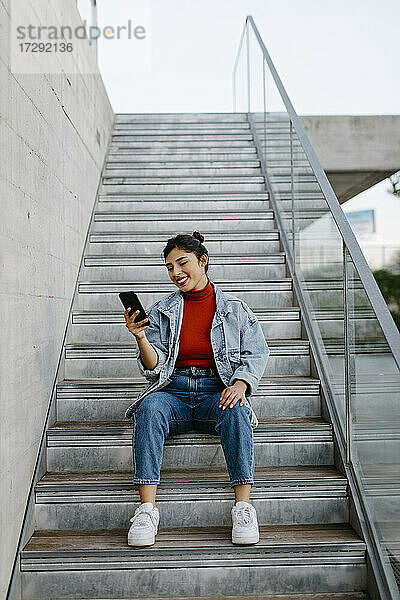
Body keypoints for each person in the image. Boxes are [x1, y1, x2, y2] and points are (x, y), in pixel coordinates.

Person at [123, 231, 269, 547]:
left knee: (237, 409)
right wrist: (140, 337)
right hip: (172, 392)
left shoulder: (235, 309)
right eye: (169, 267)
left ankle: (243, 507)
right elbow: (154, 367)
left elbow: (257, 352)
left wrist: (242, 383)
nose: (176, 273)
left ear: (203, 261)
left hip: (214, 394)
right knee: (148, 409)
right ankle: (147, 510)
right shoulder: (162, 310)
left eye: (182, 263)